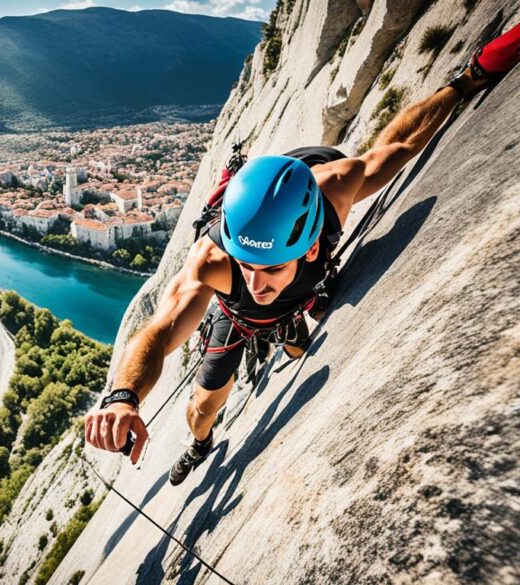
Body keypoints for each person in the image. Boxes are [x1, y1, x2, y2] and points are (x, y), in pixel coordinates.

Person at [85, 22, 520, 485]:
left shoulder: (334, 191)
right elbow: (163, 327)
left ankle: (292, 318)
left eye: (271, 267)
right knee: (205, 406)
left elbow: (398, 145)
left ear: (312, 244)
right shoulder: (213, 262)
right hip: (235, 318)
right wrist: (124, 396)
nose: (255, 282)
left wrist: (466, 80)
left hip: (299, 287)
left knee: (295, 343)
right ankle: (201, 443)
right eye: (245, 265)